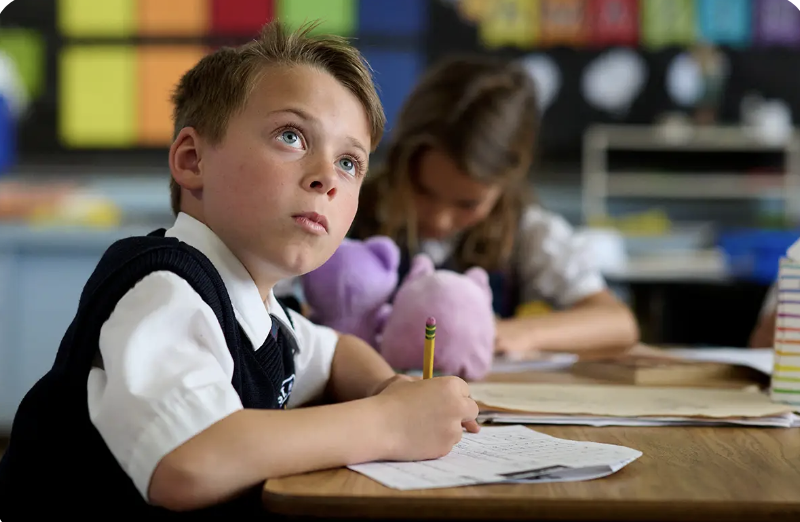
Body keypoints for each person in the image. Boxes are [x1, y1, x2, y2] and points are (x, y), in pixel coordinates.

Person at [0, 21, 479, 519]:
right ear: (192, 160)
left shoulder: (259, 310)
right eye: (291, 136)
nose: (326, 178)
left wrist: (390, 388)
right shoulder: (164, 289)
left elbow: (337, 351)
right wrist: (389, 422)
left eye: (349, 163)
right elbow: (188, 462)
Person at [351, 56, 639, 356]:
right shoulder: (349, 206)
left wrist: (519, 333)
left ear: (507, 183)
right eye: (422, 190)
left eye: (468, 203)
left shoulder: (526, 231)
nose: (439, 219)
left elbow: (618, 323)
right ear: (399, 159)